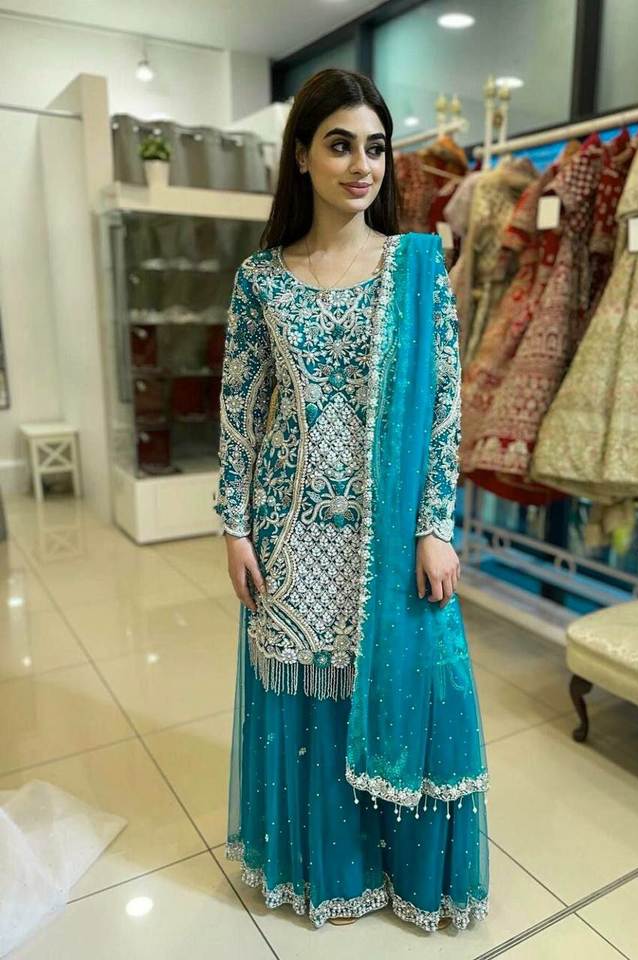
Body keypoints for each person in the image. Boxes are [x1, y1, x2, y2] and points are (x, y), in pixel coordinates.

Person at [214, 67, 490, 932]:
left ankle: (403, 871)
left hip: (390, 529)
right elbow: (241, 407)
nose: (362, 165)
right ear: (301, 155)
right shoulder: (261, 279)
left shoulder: (415, 266)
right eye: (340, 145)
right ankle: (325, 870)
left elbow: (444, 405)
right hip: (289, 526)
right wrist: (234, 527)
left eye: (375, 147)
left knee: (410, 679)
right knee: (308, 693)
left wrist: (435, 526)